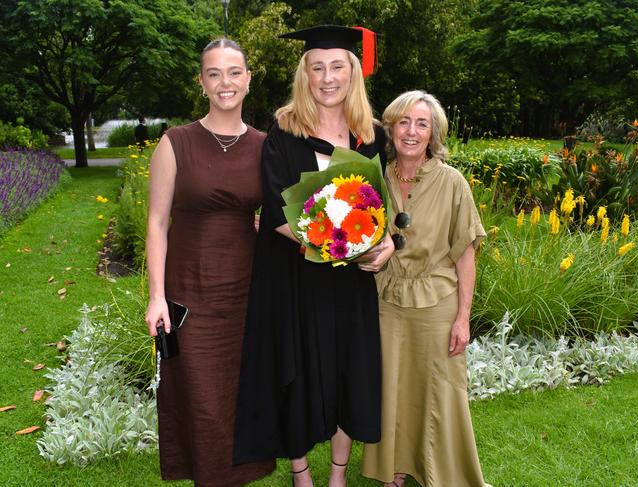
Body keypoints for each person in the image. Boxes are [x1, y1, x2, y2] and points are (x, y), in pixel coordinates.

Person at [233, 25, 394, 487]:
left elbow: (379, 205)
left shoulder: (369, 137)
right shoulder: (283, 131)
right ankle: (302, 475)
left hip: (350, 281)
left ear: (352, 72)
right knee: (299, 371)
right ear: (305, 73)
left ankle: (337, 476)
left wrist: (381, 245)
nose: (328, 77)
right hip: (297, 275)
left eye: (337, 66)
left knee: (350, 371)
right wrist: (332, 246)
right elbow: (278, 204)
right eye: (317, 67)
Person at [144, 38, 275, 486]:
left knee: (238, 393)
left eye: (234, 72)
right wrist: (156, 297)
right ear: (201, 82)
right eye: (214, 73)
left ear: (248, 80)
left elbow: (278, 217)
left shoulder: (265, 146)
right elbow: (158, 223)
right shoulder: (175, 143)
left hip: (246, 291)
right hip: (190, 291)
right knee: (201, 396)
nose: (225, 83)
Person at [361, 90, 489, 487]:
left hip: (437, 303)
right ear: (391, 128)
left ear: (433, 133)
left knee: (440, 391)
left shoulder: (453, 183)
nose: (411, 132)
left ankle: (442, 472)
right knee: (391, 388)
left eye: (422, 124)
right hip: (386, 300)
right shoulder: (374, 178)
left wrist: (463, 319)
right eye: (404, 122)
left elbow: (466, 254)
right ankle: (393, 471)